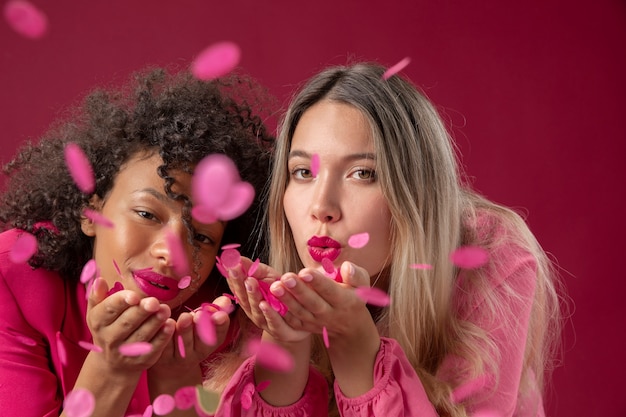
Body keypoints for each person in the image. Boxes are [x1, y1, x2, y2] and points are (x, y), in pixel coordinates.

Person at [218, 62, 564, 417]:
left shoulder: (490, 257)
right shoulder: (265, 277)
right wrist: (286, 343)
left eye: (363, 174)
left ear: (415, 191)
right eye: (303, 172)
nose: (322, 207)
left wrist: (356, 345)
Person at [0, 66, 273, 417]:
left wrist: (177, 378)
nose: (173, 256)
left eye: (202, 237)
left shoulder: (219, 315)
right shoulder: (15, 274)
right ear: (90, 210)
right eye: (147, 214)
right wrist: (111, 368)